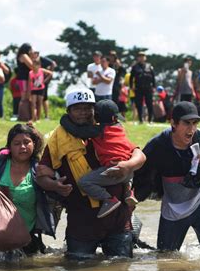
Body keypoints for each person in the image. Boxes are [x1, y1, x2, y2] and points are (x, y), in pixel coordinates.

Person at [35, 89, 146, 260]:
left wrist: (127, 165)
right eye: (77, 108)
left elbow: (139, 154)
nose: (83, 113)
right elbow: (41, 176)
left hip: (117, 221)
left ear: (95, 110)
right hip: (81, 223)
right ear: (68, 112)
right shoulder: (57, 139)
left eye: (87, 108)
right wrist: (54, 185)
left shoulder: (108, 131)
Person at [134, 101, 200, 252]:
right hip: (173, 210)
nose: (191, 129)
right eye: (186, 123)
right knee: (165, 257)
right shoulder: (157, 145)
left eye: (195, 123)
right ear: (173, 123)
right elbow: (140, 174)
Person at [0, 123, 56, 258]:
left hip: (26, 238)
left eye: (27, 142)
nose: (22, 147)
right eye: (17, 143)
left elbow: (57, 194)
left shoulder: (39, 168)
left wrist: (53, 179)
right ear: (10, 147)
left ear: (34, 145)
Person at [78, 99, 139, 218]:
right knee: (127, 171)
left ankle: (108, 199)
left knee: (83, 182)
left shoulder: (97, 131)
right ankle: (129, 192)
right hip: (129, 169)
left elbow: (76, 130)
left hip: (113, 170)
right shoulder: (120, 127)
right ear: (114, 119)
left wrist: (64, 119)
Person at [130, 51, 156, 123]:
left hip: (148, 88)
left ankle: (150, 119)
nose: (141, 58)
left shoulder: (149, 66)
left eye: (143, 56)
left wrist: (154, 87)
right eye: (140, 56)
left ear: (145, 58)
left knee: (149, 104)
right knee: (139, 104)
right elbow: (131, 78)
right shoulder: (135, 67)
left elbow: (153, 77)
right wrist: (131, 86)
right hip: (138, 88)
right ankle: (141, 120)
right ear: (138, 58)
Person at [15, 43, 34, 115]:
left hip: (24, 78)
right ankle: (22, 115)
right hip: (23, 78)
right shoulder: (24, 55)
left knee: (25, 98)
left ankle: (24, 115)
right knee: (24, 98)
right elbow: (32, 66)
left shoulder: (21, 55)